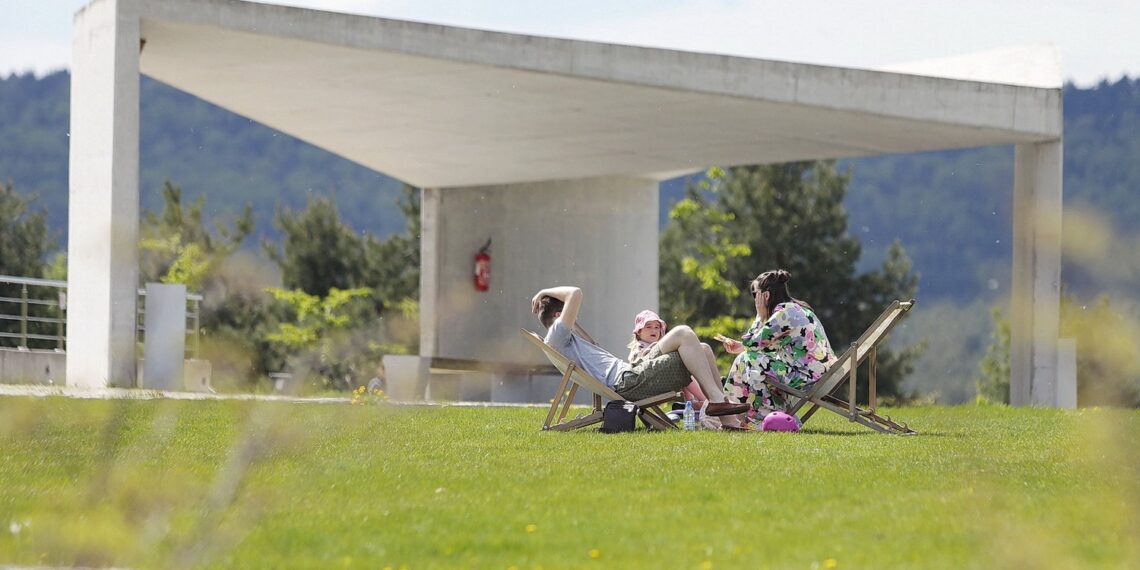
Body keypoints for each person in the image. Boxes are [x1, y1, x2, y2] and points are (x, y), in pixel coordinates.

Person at [531, 286, 749, 425]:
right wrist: (542, 293)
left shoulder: (566, 340)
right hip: (628, 381)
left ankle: (728, 419)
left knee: (703, 349)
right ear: (559, 316)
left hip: (632, 375)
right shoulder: (557, 335)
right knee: (683, 332)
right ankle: (718, 400)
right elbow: (575, 292)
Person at [719, 269, 837, 417]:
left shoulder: (783, 314)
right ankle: (734, 412)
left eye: (755, 295)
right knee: (748, 358)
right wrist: (741, 346)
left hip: (809, 379)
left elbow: (752, 344)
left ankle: (744, 414)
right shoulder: (794, 308)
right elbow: (765, 346)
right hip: (820, 375)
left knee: (748, 359)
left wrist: (760, 316)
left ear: (766, 295)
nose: (755, 300)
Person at [627, 309, 710, 408]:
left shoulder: (656, 346)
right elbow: (637, 364)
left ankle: (691, 400)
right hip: (648, 383)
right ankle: (704, 400)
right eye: (648, 327)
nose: (653, 330)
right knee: (681, 369)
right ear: (639, 332)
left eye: (657, 327)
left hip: (656, 379)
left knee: (682, 370)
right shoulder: (639, 347)